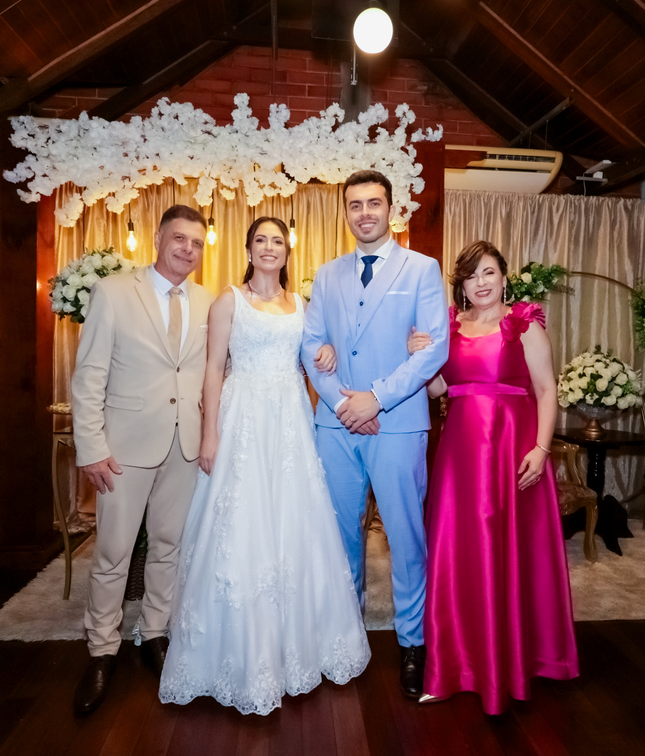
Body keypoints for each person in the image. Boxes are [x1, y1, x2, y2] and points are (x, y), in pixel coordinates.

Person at [158, 217, 371, 715]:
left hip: (290, 422)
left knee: (296, 524)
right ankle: (237, 652)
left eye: (277, 241)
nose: (269, 248)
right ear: (249, 249)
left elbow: (317, 354)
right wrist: (210, 432)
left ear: (287, 251)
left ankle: (300, 646)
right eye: (261, 240)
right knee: (240, 524)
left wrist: (326, 350)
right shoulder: (229, 300)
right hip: (243, 421)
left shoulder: (302, 304)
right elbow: (214, 368)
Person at [408, 241, 579, 714]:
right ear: (461, 285)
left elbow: (547, 390)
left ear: (504, 277)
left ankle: (517, 662)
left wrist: (541, 450)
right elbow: (440, 389)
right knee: (456, 551)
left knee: (514, 553)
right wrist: (418, 355)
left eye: (488, 273)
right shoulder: (449, 327)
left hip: (513, 450)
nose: (480, 283)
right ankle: (453, 668)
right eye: (471, 276)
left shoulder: (524, 324)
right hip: (460, 452)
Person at [300, 170, 450, 699]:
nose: (365, 213)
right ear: (346, 212)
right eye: (355, 205)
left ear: (392, 209)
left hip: (399, 421)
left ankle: (412, 642)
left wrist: (377, 398)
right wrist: (345, 404)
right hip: (336, 425)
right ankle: (345, 636)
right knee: (340, 535)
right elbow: (310, 345)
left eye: (374, 203)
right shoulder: (327, 275)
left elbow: (434, 349)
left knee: (404, 537)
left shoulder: (422, 268)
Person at [70, 205, 213, 716]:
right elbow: (89, 375)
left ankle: (154, 633)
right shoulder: (113, 292)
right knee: (113, 552)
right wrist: (92, 447)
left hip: (184, 446)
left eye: (196, 243)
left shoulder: (207, 301)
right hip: (124, 449)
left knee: (169, 548)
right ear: (158, 238)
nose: (187, 249)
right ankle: (101, 649)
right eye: (179, 238)